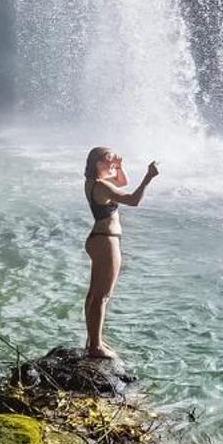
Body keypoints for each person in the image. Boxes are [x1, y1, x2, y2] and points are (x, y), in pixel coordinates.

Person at [82, 146, 157, 359]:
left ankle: (92, 340)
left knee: (94, 295)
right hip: (106, 241)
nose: (112, 162)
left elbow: (121, 182)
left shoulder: (94, 183)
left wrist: (118, 166)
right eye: (108, 159)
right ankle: (95, 346)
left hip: (98, 239)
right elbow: (133, 200)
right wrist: (148, 177)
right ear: (98, 163)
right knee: (102, 296)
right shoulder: (102, 186)